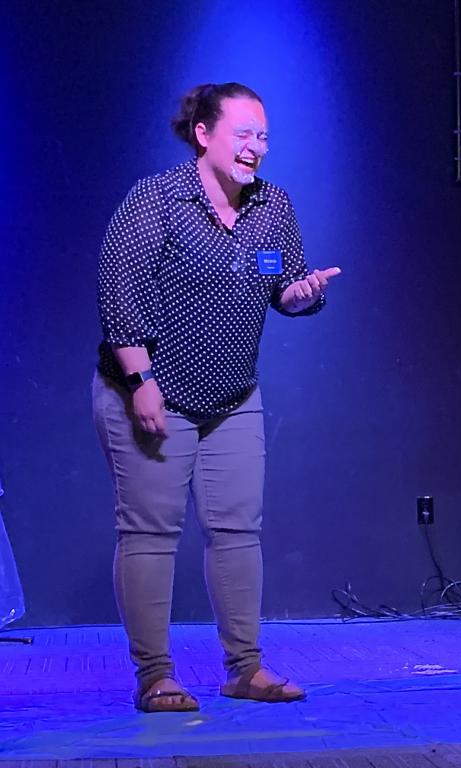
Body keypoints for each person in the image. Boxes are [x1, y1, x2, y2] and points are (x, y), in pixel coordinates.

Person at [93, 82, 340, 712]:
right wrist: (141, 383)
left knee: (237, 531)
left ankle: (245, 669)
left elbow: (279, 285)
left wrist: (302, 294)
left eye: (263, 137)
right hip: (151, 389)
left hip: (231, 396)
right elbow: (119, 295)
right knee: (151, 532)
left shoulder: (272, 206)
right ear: (204, 134)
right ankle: (155, 675)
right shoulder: (159, 198)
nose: (256, 147)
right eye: (243, 134)